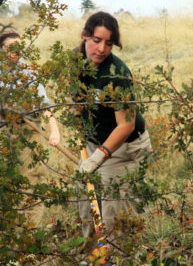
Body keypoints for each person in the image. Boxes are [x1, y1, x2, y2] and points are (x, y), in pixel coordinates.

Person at [73, 12, 152, 242]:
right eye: (97, 40)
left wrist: (97, 159)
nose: (101, 49)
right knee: (86, 207)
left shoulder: (116, 73)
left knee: (113, 218)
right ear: (85, 36)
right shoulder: (73, 62)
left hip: (123, 148)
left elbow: (125, 125)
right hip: (92, 141)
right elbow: (75, 99)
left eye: (108, 43)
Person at [0, 32, 60, 227]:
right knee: (6, 183)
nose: (15, 52)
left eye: (19, 46)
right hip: (4, 132)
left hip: (29, 131)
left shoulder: (29, 72)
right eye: (10, 47)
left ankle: (31, 233)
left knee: (31, 181)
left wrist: (54, 130)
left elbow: (44, 105)